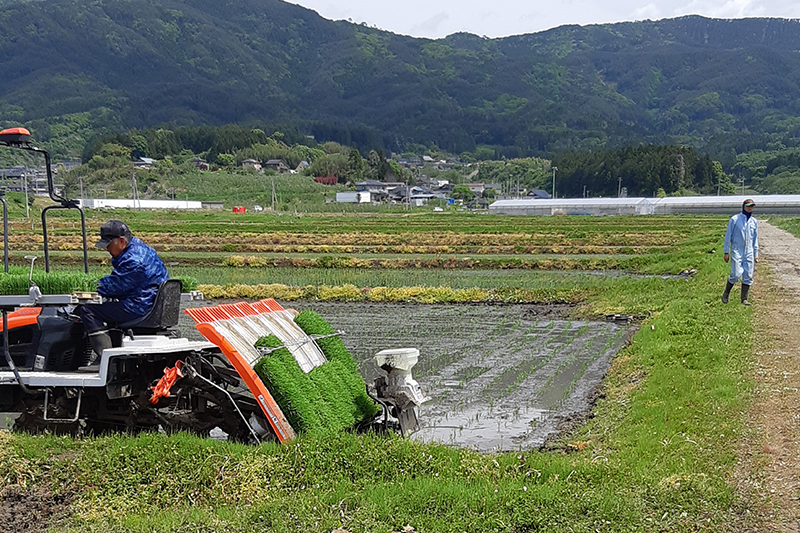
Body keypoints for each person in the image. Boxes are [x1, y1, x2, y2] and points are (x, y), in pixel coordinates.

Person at [78, 220, 169, 371]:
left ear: (121, 241)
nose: (106, 248)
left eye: (108, 244)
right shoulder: (140, 248)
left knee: (88, 310)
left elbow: (115, 285)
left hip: (140, 305)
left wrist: (88, 286)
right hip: (149, 301)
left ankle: (104, 359)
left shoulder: (133, 261)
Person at [722, 199, 759, 306]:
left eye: (752, 206)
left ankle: (744, 299)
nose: (750, 208)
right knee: (736, 274)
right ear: (743, 207)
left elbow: (755, 239)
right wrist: (726, 252)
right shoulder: (735, 219)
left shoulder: (754, 222)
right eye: (748, 206)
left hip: (749, 251)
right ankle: (726, 293)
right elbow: (728, 236)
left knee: (748, 274)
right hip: (737, 250)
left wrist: (756, 253)